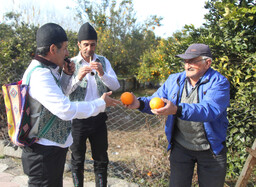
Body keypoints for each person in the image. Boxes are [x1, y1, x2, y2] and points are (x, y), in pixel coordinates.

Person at [21, 23, 120, 187]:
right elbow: (65, 109)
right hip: (43, 151)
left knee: (100, 158)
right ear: (53, 49)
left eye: (92, 44)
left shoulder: (50, 70)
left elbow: (61, 93)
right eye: (65, 48)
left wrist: (67, 75)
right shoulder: (41, 74)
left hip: (51, 147)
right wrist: (101, 103)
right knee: (73, 162)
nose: (67, 53)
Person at [126, 43, 230, 187]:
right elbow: (157, 101)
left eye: (193, 61)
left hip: (211, 150)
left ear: (208, 63)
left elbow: (209, 110)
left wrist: (176, 109)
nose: (188, 65)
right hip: (181, 148)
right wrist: (139, 103)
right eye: (186, 61)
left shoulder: (219, 82)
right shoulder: (174, 80)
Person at [66, 22, 120, 187]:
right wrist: (78, 77)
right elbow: (65, 91)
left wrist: (102, 73)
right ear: (79, 45)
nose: (90, 49)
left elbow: (116, 85)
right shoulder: (71, 63)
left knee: (101, 158)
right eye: (86, 45)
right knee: (77, 159)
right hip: (78, 120)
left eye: (93, 44)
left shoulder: (103, 61)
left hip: (98, 118)